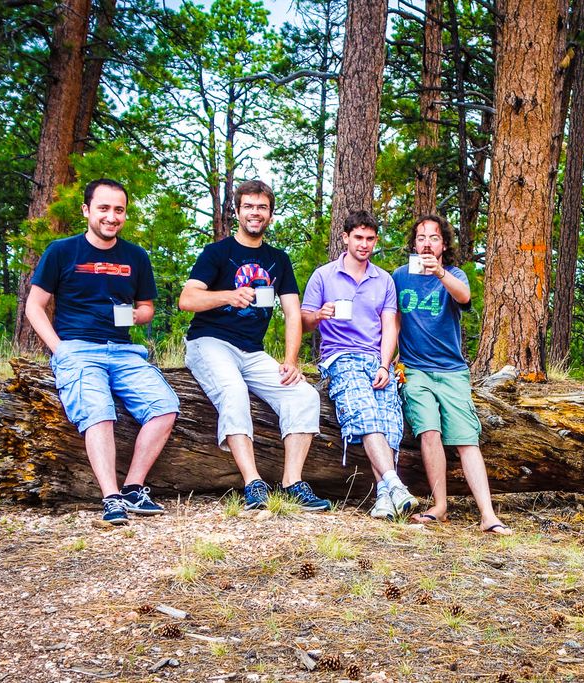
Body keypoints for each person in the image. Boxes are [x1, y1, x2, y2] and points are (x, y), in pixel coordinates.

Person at [26, 178, 179, 526]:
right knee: (99, 409)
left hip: (125, 351)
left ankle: (133, 488)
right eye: (104, 209)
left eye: (119, 210)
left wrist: (140, 314)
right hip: (78, 349)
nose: (111, 217)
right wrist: (59, 349)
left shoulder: (136, 256)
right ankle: (110, 498)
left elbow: (147, 307)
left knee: (165, 407)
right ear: (87, 210)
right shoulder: (62, 251)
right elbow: (35, 306)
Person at [179, 179, 330, 512]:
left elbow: (293, 312)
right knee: (233, 391)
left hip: (252, 351)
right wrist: (229, 295)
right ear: (237, 211)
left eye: (262, 207)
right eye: (248, 206)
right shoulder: (217, 253)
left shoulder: (277, 259)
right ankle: (253, 483)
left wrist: (291, 360)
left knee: (303, 394)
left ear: (271, 215)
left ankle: (292, 483)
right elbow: (187, 299)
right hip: (210, 342)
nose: (255, 213)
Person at [392, 215, 511, 535]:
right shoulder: (400, 276)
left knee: (465, 439)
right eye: (421, 238)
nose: (427, 243)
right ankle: (440, 506)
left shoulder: (454, 274)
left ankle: (488, 515)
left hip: (452, 371)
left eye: (433, 237)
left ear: (444, 244)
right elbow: (392, 322)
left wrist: (440, 272)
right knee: (429, 432)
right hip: (415, 370)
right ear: (413, 244)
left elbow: (464, 298)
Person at [301, 210, 417, 520]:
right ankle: (394, 483)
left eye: (369, 239)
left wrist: (384, 365)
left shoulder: (384, 280)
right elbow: (303, 322)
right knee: (364, 412)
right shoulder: (324, 275)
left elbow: (390, 326)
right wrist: (319, 315)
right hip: (340, 357)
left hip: (375, 360)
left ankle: (383, 497)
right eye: (358, 238)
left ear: (375, 241)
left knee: (390, 421)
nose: (364, 244)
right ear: (346, 238)